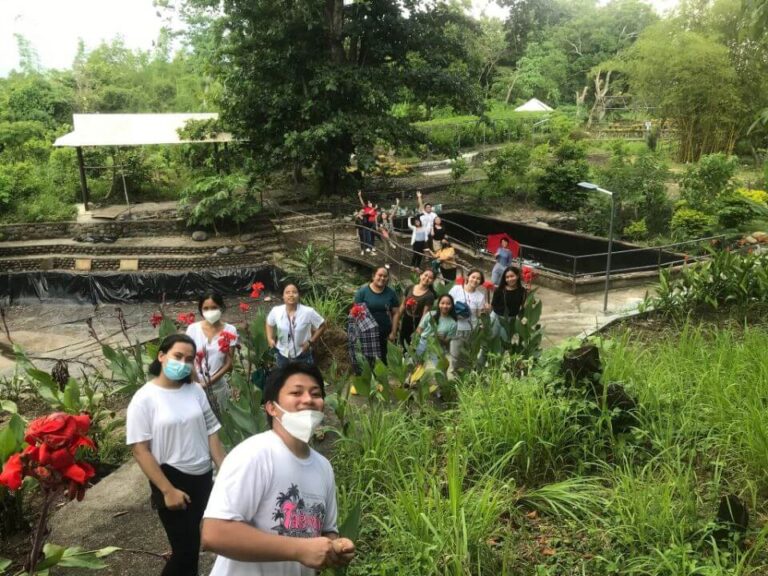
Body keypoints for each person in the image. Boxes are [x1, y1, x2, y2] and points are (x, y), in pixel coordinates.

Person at [201, 362, 355, 576]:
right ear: (271, 407)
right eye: (296, 392)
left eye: (315, 393)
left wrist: (336, 548)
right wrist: (299, 550)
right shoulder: (253, 454)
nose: (308, 399)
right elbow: (214, 534)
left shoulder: (323, 467)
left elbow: (326, 531)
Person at [127, 333, 226, 576]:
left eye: (189, 359)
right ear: (161, 356)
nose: (183, 363)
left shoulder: (194, 391)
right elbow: (140, 450)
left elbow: (211, 430)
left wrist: (224, 469)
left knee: (195, 546)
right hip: (172, 479)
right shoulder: (144, 399)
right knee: (184, 552)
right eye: (177, 356)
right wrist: (167, 490)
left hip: (203, 477)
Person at [186, 292, 239, 410]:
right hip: (194, 386)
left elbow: (228, 363)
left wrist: (208, 383)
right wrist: (197, 383)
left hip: (218, 387)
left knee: (219, 422)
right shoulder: (193, 329)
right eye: (206, 308)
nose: (210, 311)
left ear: (221, 308)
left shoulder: (230, 330)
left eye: (214, 307)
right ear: (201, 310)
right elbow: (187, 358)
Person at [267, 284, 327, 369]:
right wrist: (269, 338)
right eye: (287, 292)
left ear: (298, 296)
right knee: (284, 380)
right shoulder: (276, 311)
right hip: (282, 355)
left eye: (294, 292)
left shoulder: (308, 312)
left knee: (305, 380)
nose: (291, 295)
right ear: (283, 296)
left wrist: (311, 342)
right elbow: (269, 323)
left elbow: (322, 325)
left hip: (303, 355)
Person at [353, 266, 400, 362]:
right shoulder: (362, 292)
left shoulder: (391, 293)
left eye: (385, 276)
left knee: (383, 361)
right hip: (367, 334)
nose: (382, 278)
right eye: (380, 275)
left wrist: (393, 332)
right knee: (368, 361)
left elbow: (396, 313)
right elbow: (356, 313)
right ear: (373, 276)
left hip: (385, 334)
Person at [448, 269, 491, 371]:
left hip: (471, 330)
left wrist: (487, 311)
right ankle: (455, 377)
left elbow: (479, 315)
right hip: (456, 328)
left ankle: (465, 380)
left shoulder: (480, 296)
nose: (475, 280)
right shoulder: (456, 289)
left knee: (468, 357)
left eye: (478, 279)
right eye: (473, 277)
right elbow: (446, 304)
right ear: (468, 277)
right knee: (455, 356)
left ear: (480, 282)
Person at [396, 269, 436, 347]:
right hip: (405, 319)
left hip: (417, 322)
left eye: (430, 278)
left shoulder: (430, 296)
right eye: (425, 275)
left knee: (412, 345)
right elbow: (403, 305)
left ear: (432, 281)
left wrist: (418, 330)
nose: (427, 278)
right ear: (421, 275)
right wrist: (397, 319)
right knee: (402, 342)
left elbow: (425, 315)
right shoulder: (410, 288)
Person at [414, 293, 458, 360]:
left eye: (448, 304)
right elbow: (419, 329)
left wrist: (441, 338)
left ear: (452, 306)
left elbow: (447, 341)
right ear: (438, 304)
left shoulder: (453, 323)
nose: (445, 306)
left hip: (438, 349)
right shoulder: (430, 314)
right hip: (423, 345)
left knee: (435, 368)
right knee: (418, 366)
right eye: (442, 303)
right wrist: (422, 338)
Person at [491, 265, 528, 340]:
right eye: (507, 277)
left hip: (510, 320)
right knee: (488, 341)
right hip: (496, 317)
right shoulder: (499, 290)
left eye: (512, 276)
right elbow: (493, 305)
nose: (509, 279)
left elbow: (524, 306)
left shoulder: (522, 291)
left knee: (504, 343)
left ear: (517, 276)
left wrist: (529, 295)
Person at [357, 190, 378, 255]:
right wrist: (360, 196)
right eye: (368, 203)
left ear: (372, 203)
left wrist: (376, 224)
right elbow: (362, 203)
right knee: (365, 236)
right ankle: (366, 248)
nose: (369, 204)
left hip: (372, 224)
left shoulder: (374, 210)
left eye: (370, 203)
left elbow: (375, 217)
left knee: (372, 236)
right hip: (365, 223)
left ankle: (371, 247)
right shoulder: (366, 208)